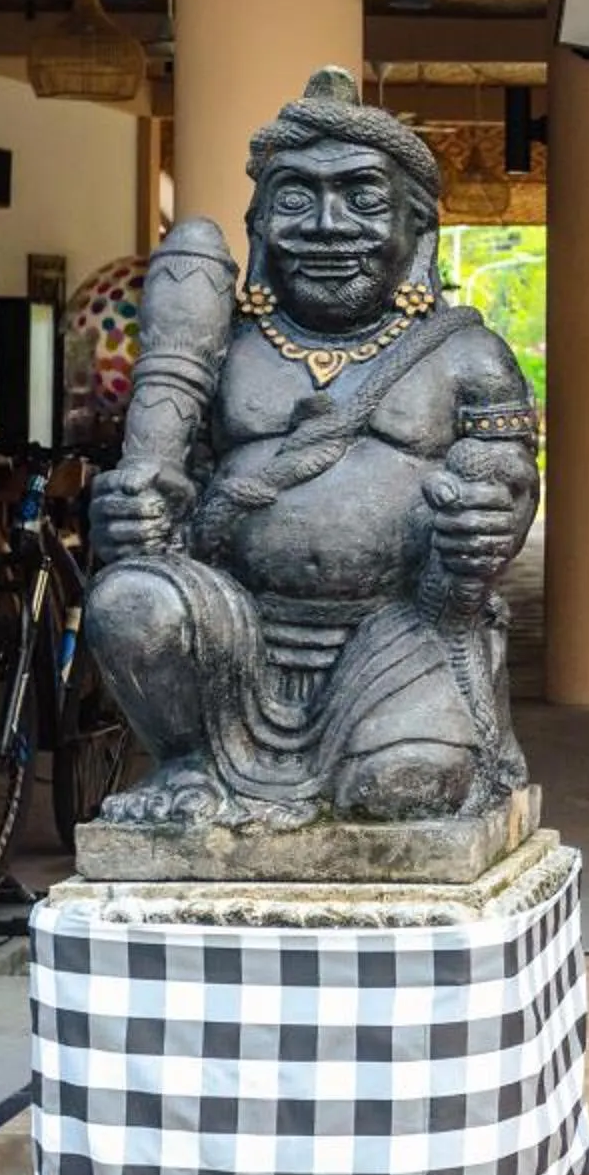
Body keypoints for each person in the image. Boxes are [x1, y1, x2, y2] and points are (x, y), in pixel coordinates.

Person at [85, 69, 541, 828]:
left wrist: (490, 520)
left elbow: (509, 478)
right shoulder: (220, 352)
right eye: (296, 199)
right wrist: (132, 515)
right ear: (260, 228)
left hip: (402, 635)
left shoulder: (466, 355)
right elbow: (171, 491)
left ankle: (416, 742)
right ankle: (192, 764)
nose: (328, 227)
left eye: (362, 200)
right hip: (239, 633)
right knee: (131, 600)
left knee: (399, 793)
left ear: (417, 231)